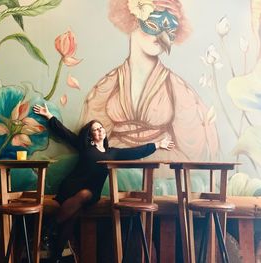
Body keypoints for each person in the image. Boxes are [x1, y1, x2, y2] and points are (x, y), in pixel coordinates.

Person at [81, 0, 219, 175]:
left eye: (169, 30)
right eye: (153, 24)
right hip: (116, 160)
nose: (161, 36)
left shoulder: (177, 88)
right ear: (133, 21)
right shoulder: (107, 85)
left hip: (159, 162)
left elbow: (192, 148)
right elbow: (91, 138)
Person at [33, 103, 174, 262]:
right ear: (90, 134)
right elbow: (65, 133)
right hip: (71, 187)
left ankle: (49, 227)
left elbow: (133, 152)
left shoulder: (112, 153)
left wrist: (157, 145)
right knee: (71, 219)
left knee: (84, 195)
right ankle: (56, 256)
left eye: (101, 128)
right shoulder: (84, 145)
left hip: (91, 193)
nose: (99, 130)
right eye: (95, 129)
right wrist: (49, 116)